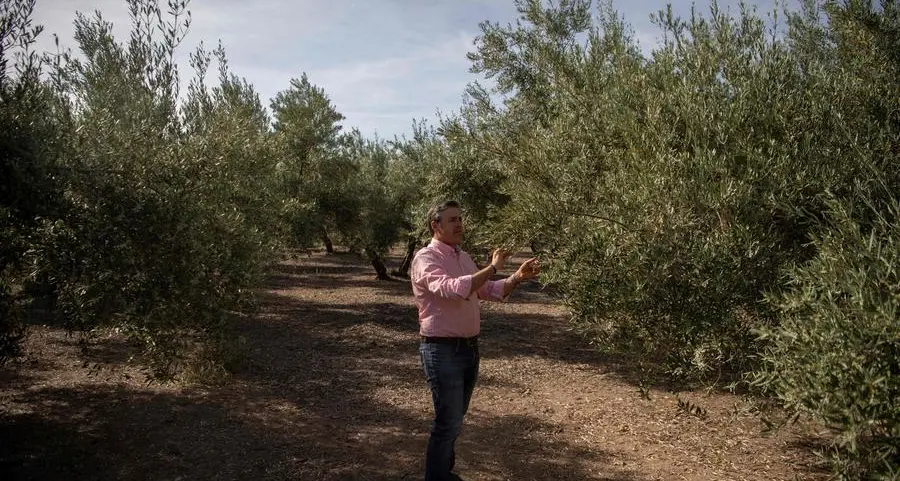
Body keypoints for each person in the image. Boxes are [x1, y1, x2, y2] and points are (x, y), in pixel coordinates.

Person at [410, 200, 540, 481]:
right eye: (452, 219)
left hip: (469, 349)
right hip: (441, 350)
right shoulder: (425, 258)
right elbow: (454, 289)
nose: (459, 224)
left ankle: (443, 473)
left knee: (455, 420)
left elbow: (486, 290)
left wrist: (517, 277)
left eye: (460, 218)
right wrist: (492, 267)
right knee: (447, 421)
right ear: (436, 225)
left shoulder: (462, 257)